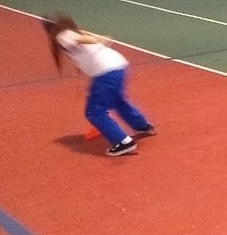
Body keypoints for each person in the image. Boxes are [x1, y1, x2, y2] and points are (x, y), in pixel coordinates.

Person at [41, 13, 154, 157]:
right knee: (118, 100)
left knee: (94, 112)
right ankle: (142, 125)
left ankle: (123, 142)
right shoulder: (75, 32)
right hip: (119, 66)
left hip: (106, 72)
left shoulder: (63, 36)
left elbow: (82, 39)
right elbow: (85, 44)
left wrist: (97, 39)